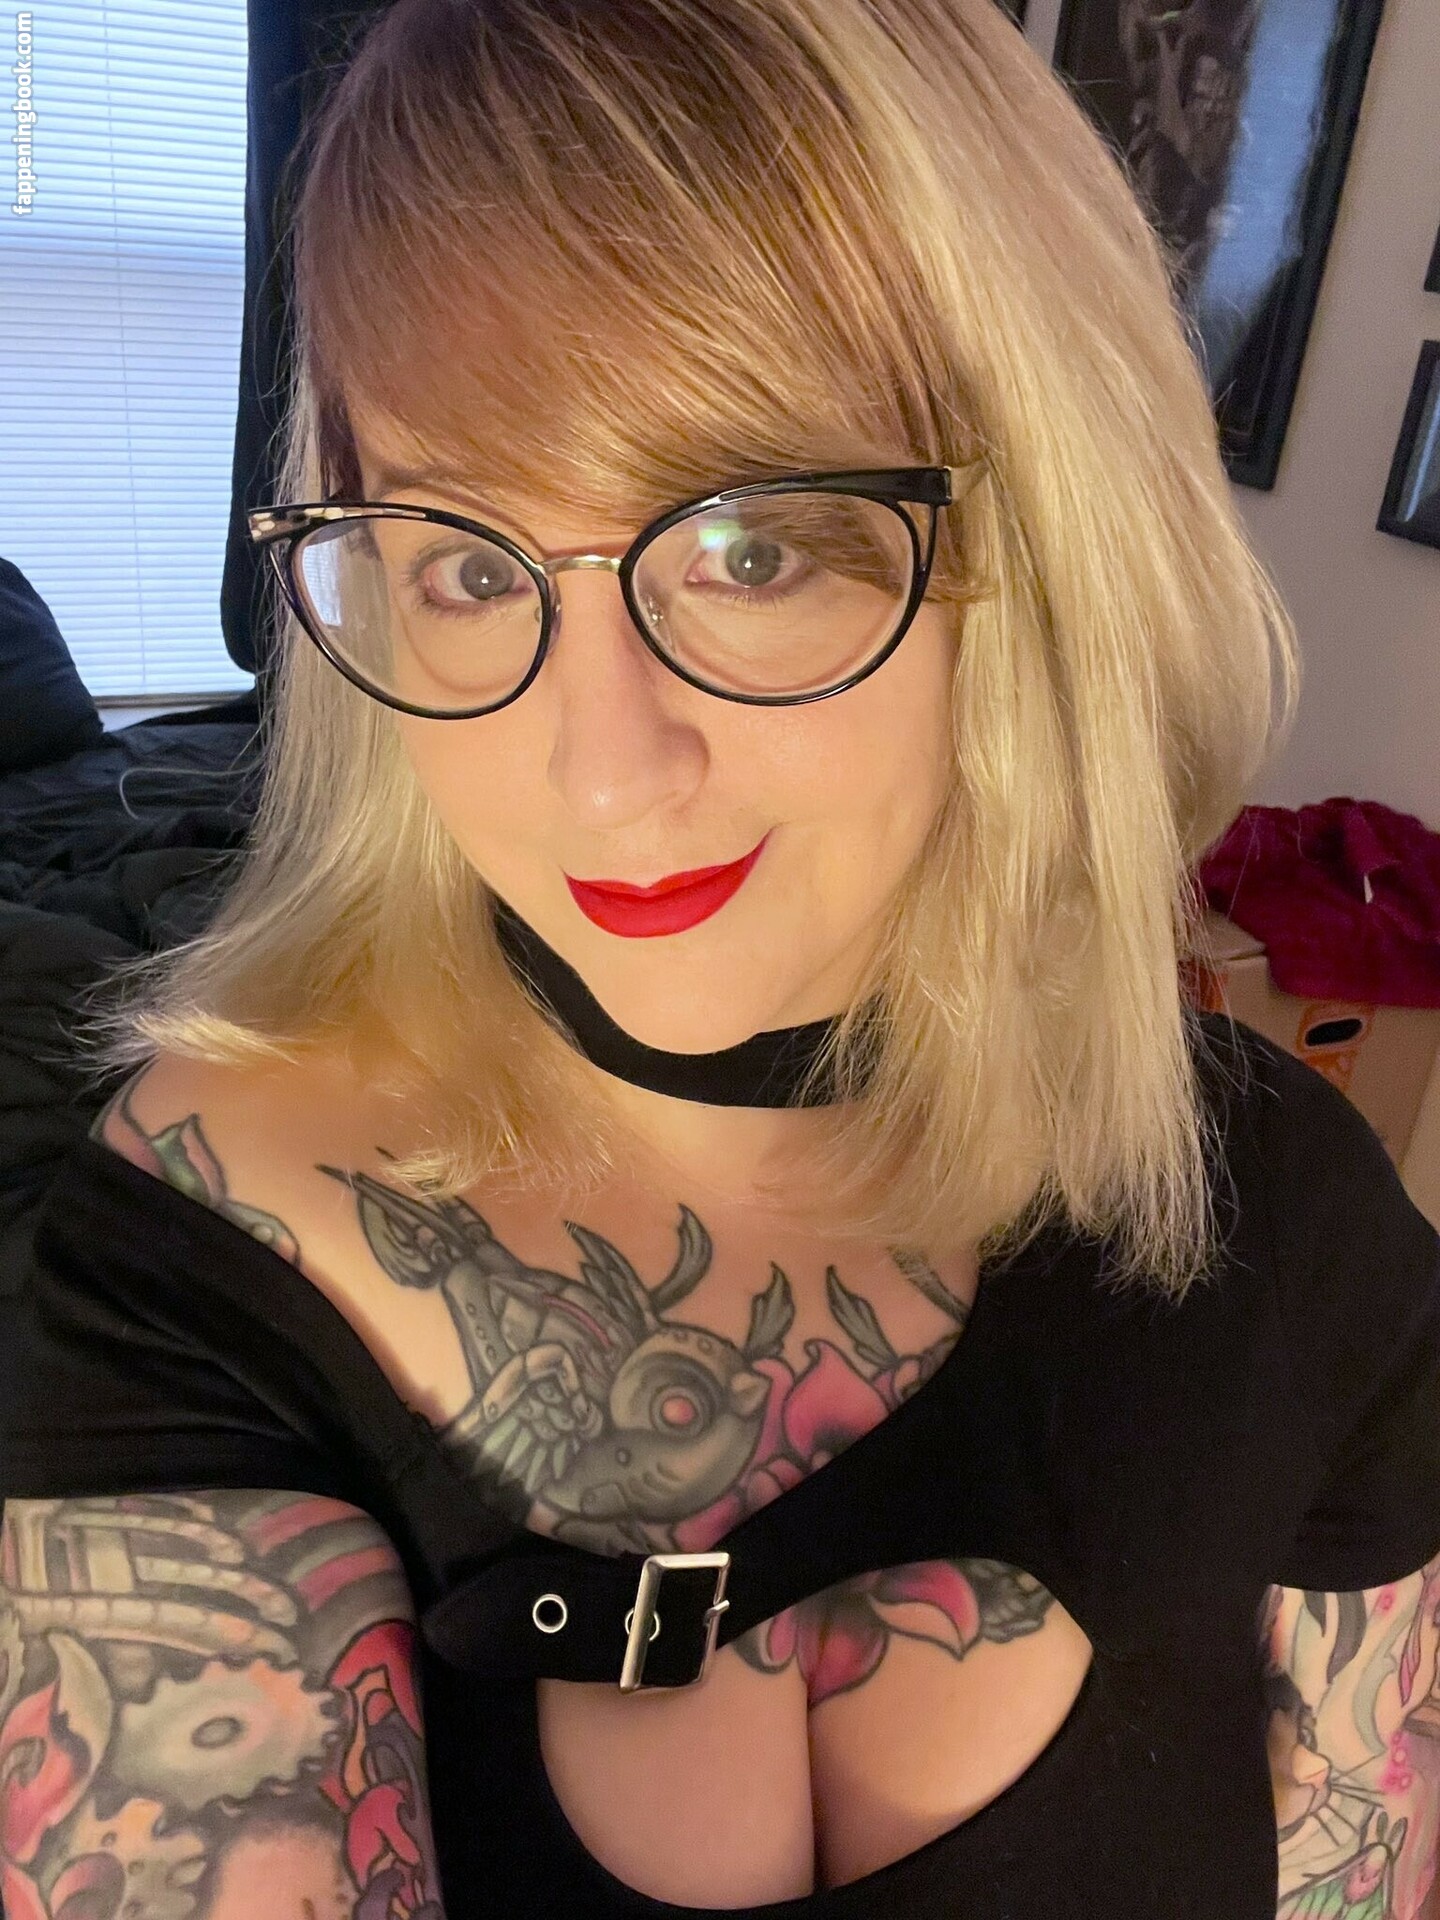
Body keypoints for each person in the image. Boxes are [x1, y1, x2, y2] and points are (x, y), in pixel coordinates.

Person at [3, 1, 1439, 1915]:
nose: (602, 773)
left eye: (750, 548)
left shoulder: (1294, 1228)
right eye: (466, 564)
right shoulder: (192, 1272)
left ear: (1045, 539)